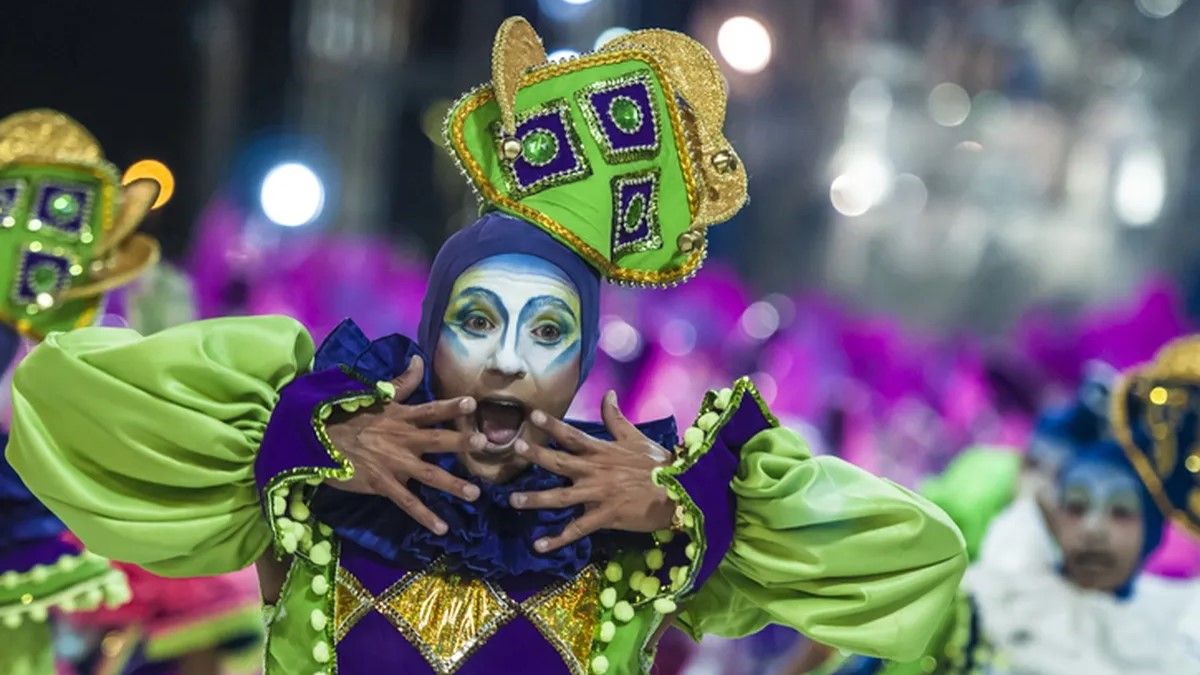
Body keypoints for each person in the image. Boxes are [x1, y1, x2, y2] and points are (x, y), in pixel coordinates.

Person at [7, 18, 967, 675]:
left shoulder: (633, 531)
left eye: (548, 332)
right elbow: (57, 395)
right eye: (477, 321)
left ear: (584, 361)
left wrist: (687, 501)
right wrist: (295, 437)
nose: (508, 359)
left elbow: (920, 558)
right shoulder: (328, 493)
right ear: (429, 334)